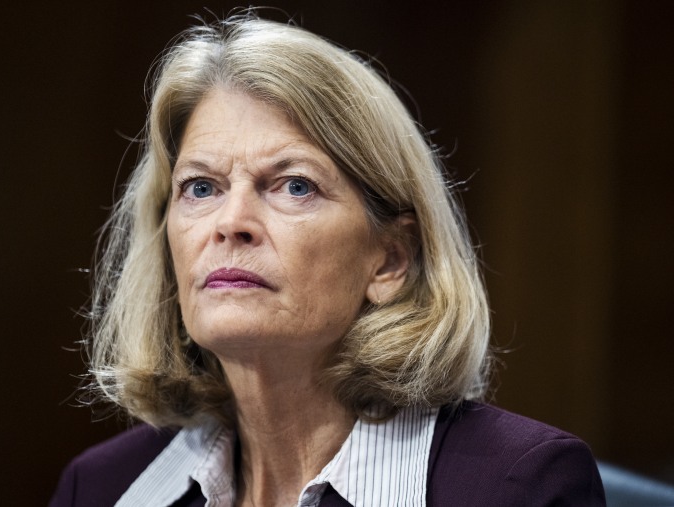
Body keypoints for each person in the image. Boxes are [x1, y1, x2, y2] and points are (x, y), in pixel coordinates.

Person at [51, 12, 605, 507]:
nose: (230, 222)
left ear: (390, 259)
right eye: (200, 187)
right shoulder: (99, 488)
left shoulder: (520, 487)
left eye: (294, 186)